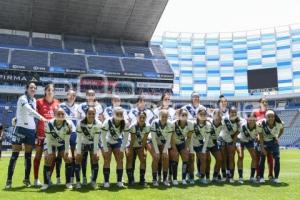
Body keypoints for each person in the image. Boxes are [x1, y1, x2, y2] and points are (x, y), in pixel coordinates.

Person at [5, 81, 46, 189]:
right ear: (27, 89)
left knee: (28, 157)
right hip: (20, 129)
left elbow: (27, 113)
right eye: (31, 87)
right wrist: (41, 117)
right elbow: (28, 110)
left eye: (34, 88)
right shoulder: (22, 98)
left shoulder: (34, 100)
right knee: (14, 156)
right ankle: (9, 181)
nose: (33, 89)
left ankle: (26, 180)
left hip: (31, 130)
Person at [34, 83, 60, 187]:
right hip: (41, 134)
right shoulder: (39, 102)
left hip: (53, 135)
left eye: (52, 90)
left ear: (54, 92)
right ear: (45, 91)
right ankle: (36, 179)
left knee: (52, 157)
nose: (50, 92)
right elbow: (33, 114)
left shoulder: (57, 102)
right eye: (48, 90)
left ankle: (48, 178)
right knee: (38, 156)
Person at [41, 108, 73, 190]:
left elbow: (67, 140)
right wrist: (50, 152)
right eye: (59, 114)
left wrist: (66, 151)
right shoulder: (49, 124)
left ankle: (68, 182)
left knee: (68, 158)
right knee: (48, 158)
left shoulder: (68, 124)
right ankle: (46, 183)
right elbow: (47, 139)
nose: (61, 115)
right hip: (50, 142)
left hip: (62, 143)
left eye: (63, 114)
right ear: (54, 115)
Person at [77, 89, 103, 185]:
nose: (91, 96)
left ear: (95, 96)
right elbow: (78, 118)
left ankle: (93, 178)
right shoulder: (81, 106)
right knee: (83, 159)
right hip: (84, 134)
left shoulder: (99, 106)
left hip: (95, 134)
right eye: (89, 94)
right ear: (86, 96)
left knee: (94, 158)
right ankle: (83, 177)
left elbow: (100, 119)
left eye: (93, 94)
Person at [101, 107, 130, 188]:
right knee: (107, 159)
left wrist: (122, 148)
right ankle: (106, 181)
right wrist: (105, 149)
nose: (119, 116)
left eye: (121, 114)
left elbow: (126, 137)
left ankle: (119, 181)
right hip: (107, 141)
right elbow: (102, 136)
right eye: (117, 114)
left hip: (118, 141)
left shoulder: (125, 123)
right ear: (113, 114)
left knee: (120, 160)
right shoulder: (107, 122)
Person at [74, 107, 101, 189]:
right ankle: (79, 181)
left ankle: (93, 181)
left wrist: (96, 152)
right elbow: (78, 139)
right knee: (78, 159)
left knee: (95, 159)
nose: (91, 115)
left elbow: (96, 140)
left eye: (93, 113)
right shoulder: (80, 123)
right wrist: (78, 152)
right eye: (89, 113)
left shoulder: (98, 123)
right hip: (82, 143)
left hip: (93, 143)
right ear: (86, 114)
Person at [181, 92, 206, 179]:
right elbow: (180, 117)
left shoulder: (203, 108)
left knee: (201, 157)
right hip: (189, 136)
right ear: (191, 98)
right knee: (190, 157)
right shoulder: (185, 107)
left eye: (197, 97)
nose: (196, 98)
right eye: (194, 97)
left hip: (199, 136)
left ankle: (200, 173)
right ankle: (189, 174)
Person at [153, 92, 175, 182]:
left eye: (168, 99)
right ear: (162, 100)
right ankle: (158, 176)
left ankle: (168, 176)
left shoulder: (172, 111)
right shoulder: (156, 111)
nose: (167, 101)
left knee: (168, 157)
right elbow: (154, 124)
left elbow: (172, 124)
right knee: (158, 157)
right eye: (165, 99)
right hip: (158, 137)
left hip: (168, 136)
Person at [148, 109, 173, 186]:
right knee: (156, 157)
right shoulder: (154, 123)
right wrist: (157, 151)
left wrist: (165, 151)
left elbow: (168, 138)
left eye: (166, 117)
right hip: (153, 142)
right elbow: (153, 138)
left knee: (166, 157)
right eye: (163, 116)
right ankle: (154, 179)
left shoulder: (170, 124)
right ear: (159, 116)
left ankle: (165, 179)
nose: (164, 118)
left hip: (164, 142)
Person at [258, 110, 284, 184]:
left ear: (274, 116)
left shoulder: (279, 123)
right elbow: (260, 136)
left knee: (277, 158)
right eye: (268, 117)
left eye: (272, 116)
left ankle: (276, 178)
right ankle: (261, 177)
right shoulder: (261, 124)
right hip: (264, 142)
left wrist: (277, 137)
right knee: (262, 159)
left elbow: (282, 130)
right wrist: (262, 148)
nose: (271, 118)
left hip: (273, 142)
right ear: (265, 117)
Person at [126, 111, 150, 186]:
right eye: (140, 117)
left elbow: (145, 139)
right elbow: (132, 140)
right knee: (130, 160)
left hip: (140, 145)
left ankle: (142, 180)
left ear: (146, 118)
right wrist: (129, 150)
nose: (142, 119)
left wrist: (142, 149)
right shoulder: (133, 126)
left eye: (143, 117)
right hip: (131, 144)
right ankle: (130, 179)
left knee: (143, 159)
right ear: (137, 117)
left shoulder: (148, 126)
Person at [170, 109, 194, 185]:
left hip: (182, 143)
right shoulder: (173, 124)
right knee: (175, 157)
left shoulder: (190, 124)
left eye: (186, 115)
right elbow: (171, 137)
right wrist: (174, 149)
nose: (184, 116)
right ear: (179, 116)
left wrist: (186, 148)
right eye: (182, 115)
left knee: (186, 156)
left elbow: (189, 137)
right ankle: (174, 179)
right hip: (172, 143)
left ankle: (183, 179)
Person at [236, 113, 261, 183]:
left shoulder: (258, 126)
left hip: (249, 141)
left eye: (253, 120)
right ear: (247, 119)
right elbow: (236, 134)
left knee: (254, 157)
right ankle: (240, 178)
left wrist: (258, 136)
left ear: (256, 120)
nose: (252, 121)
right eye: (250, 119)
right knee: (240, 156)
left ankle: (252, 177)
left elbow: (259, 133)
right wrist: (233, 143)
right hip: (240, 140)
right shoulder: (243, 125)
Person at [60, 89, 78, 184]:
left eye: (74, 95)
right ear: (67, 95)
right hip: (64, 134)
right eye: (70, 95)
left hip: (75, 134)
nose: (72, 97)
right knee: (67, 157)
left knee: (75, 157)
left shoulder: (78, 107)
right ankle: (66, 181)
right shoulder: (61, 106)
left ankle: (72, 178)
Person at [219, 106, 242, 183]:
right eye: (232, 112)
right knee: (224, 158)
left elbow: (237, 134)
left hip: (231, 140)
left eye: (235, 112)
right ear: (229, 113)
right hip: (222, 139)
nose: (234, 113)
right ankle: (224, 176)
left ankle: (231, 177)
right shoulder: (224, 119)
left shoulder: (239, 121)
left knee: (231, 158)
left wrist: (233, 143)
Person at [208, 109, 223, 182]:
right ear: (213, 116)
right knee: (207, 159)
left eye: (219, 117)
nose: (218, 119)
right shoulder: (208, 122)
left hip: (214, 144)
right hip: (205, 144)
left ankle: (215, 176)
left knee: (219, 159)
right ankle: (204, 176)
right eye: (216, 117)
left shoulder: (223, 124)